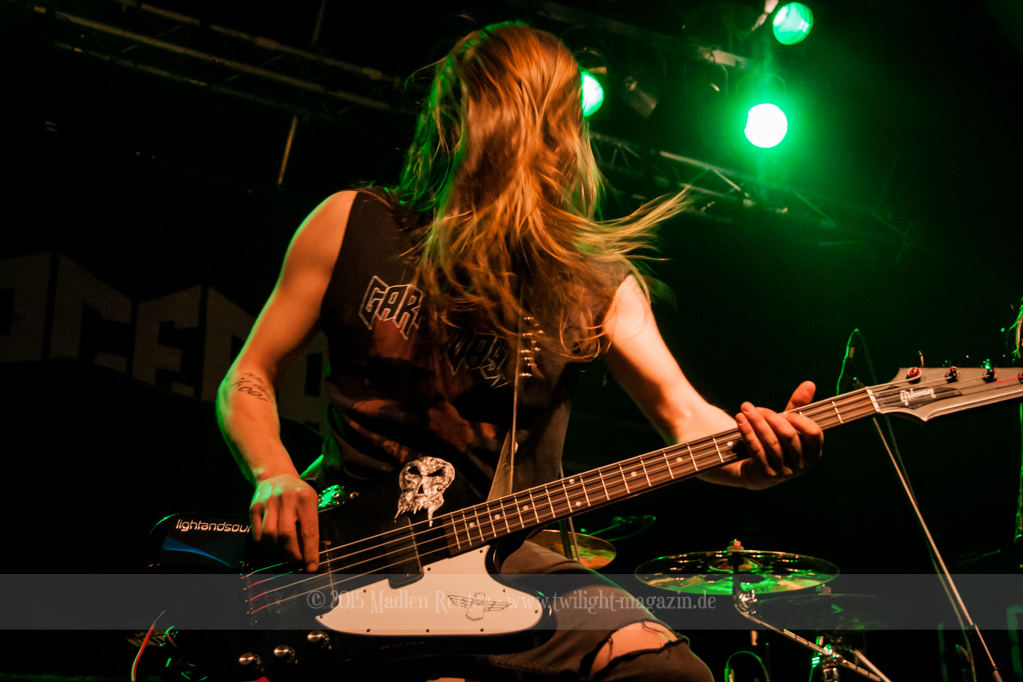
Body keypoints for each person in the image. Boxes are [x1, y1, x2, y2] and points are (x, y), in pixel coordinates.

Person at [216, 22, 822, 682]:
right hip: (346, 548)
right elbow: (249, 374)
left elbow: (685, 416)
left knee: (669, 674)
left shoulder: (594, 282)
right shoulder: (351, 222)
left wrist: (753, 460)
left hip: (503, 557)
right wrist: (275, 473)